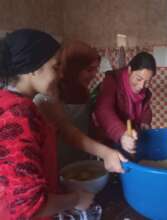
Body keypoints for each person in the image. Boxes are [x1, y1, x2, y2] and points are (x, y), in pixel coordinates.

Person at [0, 29, 98, 220]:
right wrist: (76, 199)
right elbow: (29, 206)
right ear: (35, 68)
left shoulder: (9, 101)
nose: (60, 74)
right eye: (55, 67)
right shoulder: (19, 115)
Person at [34, 40, 127, 171]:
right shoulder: (47, 99)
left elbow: (85, 127)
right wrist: (105, 152)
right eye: (89, 70)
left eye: (96, 69)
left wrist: (116, 134)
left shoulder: (84, 94)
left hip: (80, 162)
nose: (94, 75)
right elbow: (68, 133)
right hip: (56, 168)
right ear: (72, 69)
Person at [92, 52, 156, 155]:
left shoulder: (145, 92)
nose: (141, 86)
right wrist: (122, 134)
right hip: (108, 139)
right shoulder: (112, 81)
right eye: (138, 79)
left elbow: (146, 109)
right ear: (130, 70)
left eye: (147, 82)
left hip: (130, 139)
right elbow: (103, 110)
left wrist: (145, 121)